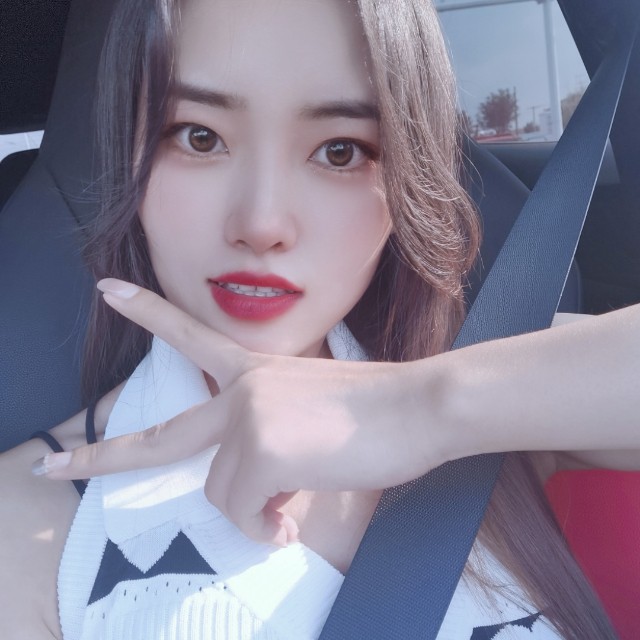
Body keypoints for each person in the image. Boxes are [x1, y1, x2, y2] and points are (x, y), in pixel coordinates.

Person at [0, 0, 632, 637]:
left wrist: (420, 406)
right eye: (199, 137)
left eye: (340, 151)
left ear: (407, 181)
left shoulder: (483, 387)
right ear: (129, 158)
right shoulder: (32, 516)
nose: (262, 223)